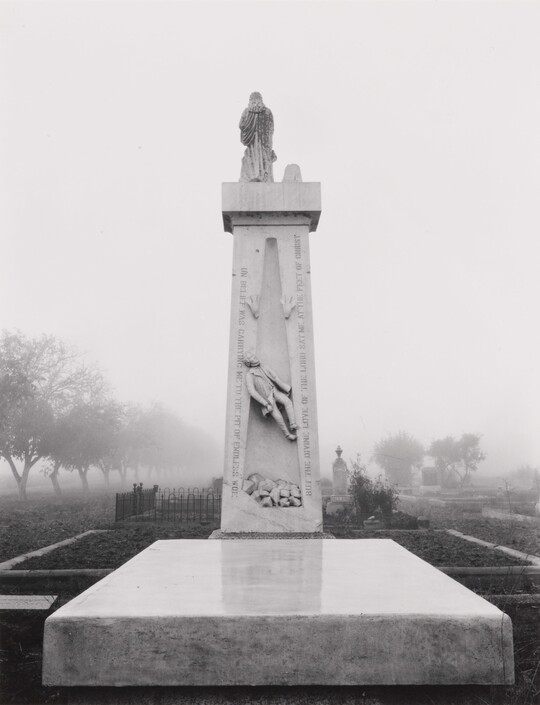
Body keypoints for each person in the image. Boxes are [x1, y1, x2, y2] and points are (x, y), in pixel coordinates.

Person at [243, 353, 297, 440]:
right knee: (278, 416)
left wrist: (285, 388)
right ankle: (288, 435)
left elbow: (275, 377)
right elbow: (252, 392)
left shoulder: (264, 366)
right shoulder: (249, 375)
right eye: (252, 358)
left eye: (253, 355)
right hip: (267, 399)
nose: (255, 357)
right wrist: (265, 403)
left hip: (274, 391)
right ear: (248, 363)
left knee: (287, 401)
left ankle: (293, 424)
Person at [239, 92, 277, 183]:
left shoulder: (248, 111)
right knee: (259, 157)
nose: (256, 103)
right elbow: (271, 128)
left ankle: (260, 175)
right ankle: (260, 175)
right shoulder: (266, 111)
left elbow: (241, 125)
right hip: (260, 143)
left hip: (262, 142)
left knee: (259, 157)